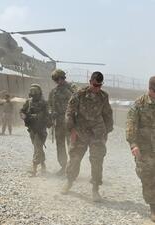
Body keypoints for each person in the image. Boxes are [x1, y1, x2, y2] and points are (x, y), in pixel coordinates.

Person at [61, 71, 113, 202]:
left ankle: (95, 189)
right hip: (80, 132)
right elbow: (69, 112)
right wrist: (71, 129)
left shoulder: (103, 96)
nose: (97, 88)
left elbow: (108, 114)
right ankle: (69, 182)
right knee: (75, 158)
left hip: (97, 133)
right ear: (90, 82)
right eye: (95, 85)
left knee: (97, 161)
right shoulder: (79, 94)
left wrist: (106, 132)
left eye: (100, 85)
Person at [126, 76, 155, 221]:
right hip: (145, 148)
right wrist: (133, 144)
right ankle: (153, 207)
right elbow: (131, 124)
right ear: (150, 89)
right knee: (148, 177)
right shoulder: (139, 104)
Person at [48, 69, 77, 176]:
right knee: (60, 145)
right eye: (56, 79)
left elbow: (78, 102)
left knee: (72, 145)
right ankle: (63, 166)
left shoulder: (72, 88)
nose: (58, 81)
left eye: (60, 78)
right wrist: (51, 113)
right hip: (59, 122)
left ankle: (73, 167)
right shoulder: (53, 92)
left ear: (63, 77)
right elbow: (50, 105)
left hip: (70, 122)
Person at [20, 84, 51, 177]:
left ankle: (34, 169)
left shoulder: (44, 103)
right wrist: (25, 116)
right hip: (32, 129)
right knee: (38, 147)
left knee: (37, 147)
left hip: (41, 129)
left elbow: (48, 115)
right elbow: (22, 111)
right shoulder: (28, 102)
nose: (34, 96)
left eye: (35, 94)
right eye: (32, 94)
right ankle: (43, 165)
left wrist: (40, 118)